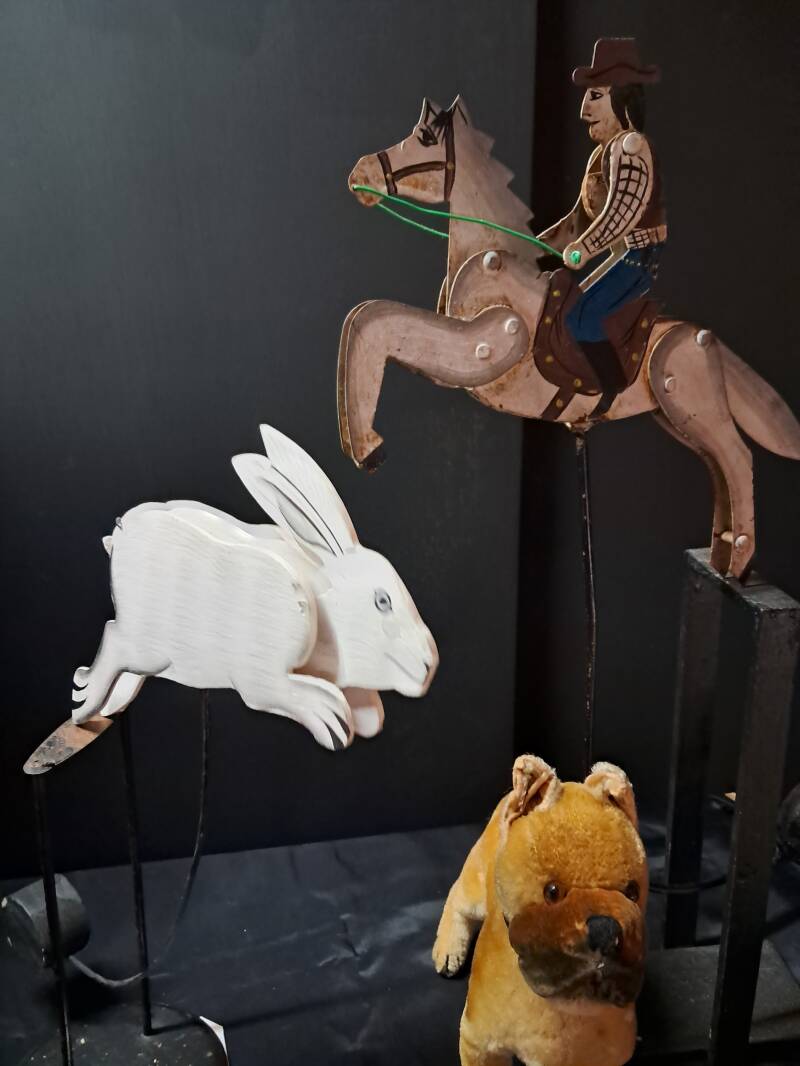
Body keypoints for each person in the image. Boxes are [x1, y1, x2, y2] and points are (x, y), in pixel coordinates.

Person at [537, 38, 666, 414]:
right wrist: (531, 248)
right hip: (622, 256)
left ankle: (614, 392)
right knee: (565, 308)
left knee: (583, 317)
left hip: (638, 258)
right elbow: (577, 221)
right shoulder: (602, 154)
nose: (583, 110)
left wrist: (583, 250)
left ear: (621, 98)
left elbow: (622, 214)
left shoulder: (631, 147)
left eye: (595, 96)